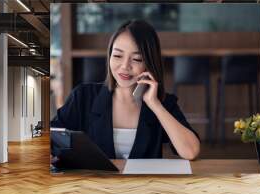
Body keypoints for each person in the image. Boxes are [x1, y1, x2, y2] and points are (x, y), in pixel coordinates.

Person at [51, 19, 200, 160]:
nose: (125, 66)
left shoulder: (163, 103)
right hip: (97, 185)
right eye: (117, 55)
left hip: (145, 186)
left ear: (149, 63)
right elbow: (51, 139)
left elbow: (191, 152)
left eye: (136, 59)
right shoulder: (83, 96)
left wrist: (155, 105)